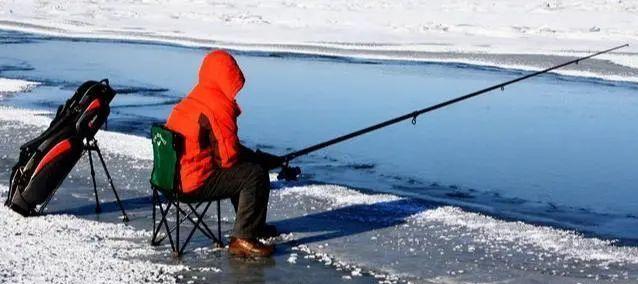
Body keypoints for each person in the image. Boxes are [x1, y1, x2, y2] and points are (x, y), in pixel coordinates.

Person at [166, 50, 283, 257]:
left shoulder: (196, 96)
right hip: (194, 183)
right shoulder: (218, 106)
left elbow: (221, 149)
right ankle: (243, 238)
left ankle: (253, 226)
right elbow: (228, 159)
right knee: (253, 174)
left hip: (172, 180)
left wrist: (256, 157)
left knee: (252, 167)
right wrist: (258, 161)